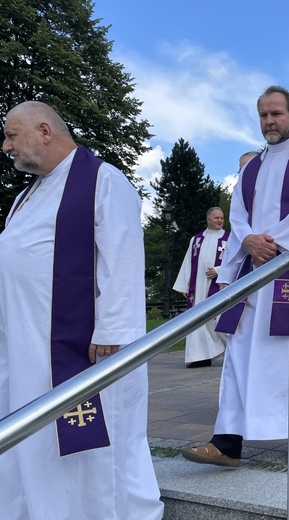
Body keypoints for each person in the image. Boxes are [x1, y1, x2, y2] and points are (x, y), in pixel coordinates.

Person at [0, 101, 163, 519]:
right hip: (24, 343)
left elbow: (123, 257)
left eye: (12, 136)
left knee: (88, 446)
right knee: (32, 439)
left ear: (44, 131)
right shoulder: (26, 195)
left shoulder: (102, 181)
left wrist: (113, 331)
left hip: (81, 350)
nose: (6, 146)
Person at [181, 85, 289, 466]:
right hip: (253, 274)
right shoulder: (252, 166)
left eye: (276, 114)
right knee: (242, 353)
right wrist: (248, 241)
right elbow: (237, 214)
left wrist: (274, 244)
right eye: (263, 115)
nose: (269, 121)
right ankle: (228, 441)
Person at [173, 207, 229, 368]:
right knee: (197, 321)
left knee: (216, 320)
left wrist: (218, 271)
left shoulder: (229, 238)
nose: (220, 220)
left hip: (219, 286)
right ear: (208, 220)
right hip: (198, 288)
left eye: (222, 218)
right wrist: (185, 285)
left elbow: (236, 261)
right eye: (217, 218)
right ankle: (199, 357)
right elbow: (188, 262)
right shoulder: (196, 239)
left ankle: (230, 351)